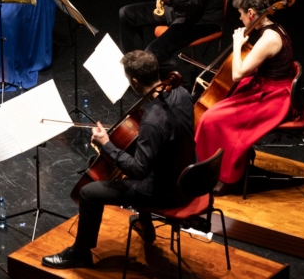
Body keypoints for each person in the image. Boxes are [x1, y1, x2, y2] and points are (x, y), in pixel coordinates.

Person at [41, 50, 195, 269]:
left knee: (89, 192)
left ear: (134, 81)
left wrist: (107, 145)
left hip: (166, 191)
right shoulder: (182, 94)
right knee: (141, 154)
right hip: (186, 176)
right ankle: (145, 224)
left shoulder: (152, 121)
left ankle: (80, 253)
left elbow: (138, 171)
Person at [194, 0, 296, 194]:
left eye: (240, 14)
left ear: (250, 14)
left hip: (273, 97)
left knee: (211, 118)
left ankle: (224, 176)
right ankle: (223, 164)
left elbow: (237, 74)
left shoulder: (268, 39)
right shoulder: (274, 27)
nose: (240, 19)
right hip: (267, 86)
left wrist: (237, 44)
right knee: (221, 106)